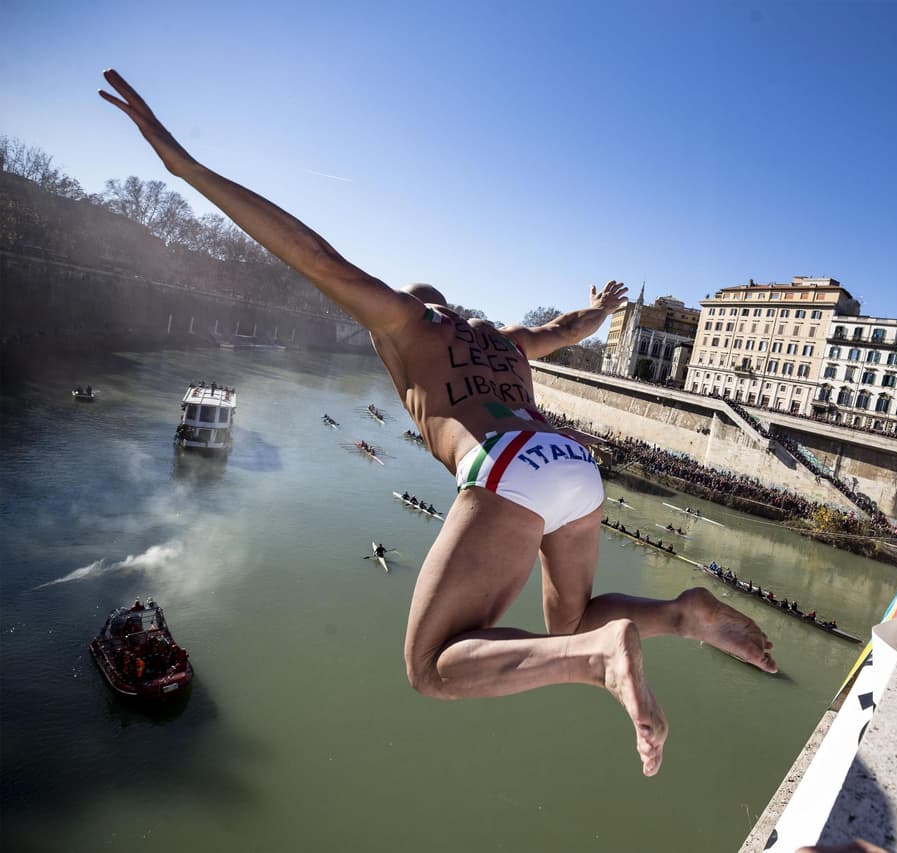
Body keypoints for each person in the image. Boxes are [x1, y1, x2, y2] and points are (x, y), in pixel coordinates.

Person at [102, 69, 774, 776]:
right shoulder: (504, 340)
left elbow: (312, 256)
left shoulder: (402, 322)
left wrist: (185, 166)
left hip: (507, 464)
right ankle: (680, 613)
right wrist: (604, 311)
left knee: (431, 664)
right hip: (572, 464)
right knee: (568, 622)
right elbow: (565, 326)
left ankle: (604, 660)